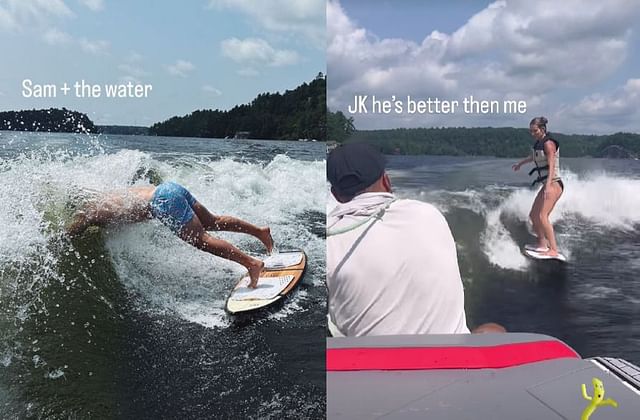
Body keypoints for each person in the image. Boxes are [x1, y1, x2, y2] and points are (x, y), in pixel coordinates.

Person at [326, 142, 503, 337]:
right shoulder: (429, 214)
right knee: (494, 330)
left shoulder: (329, 241)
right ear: (386, 181)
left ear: (336, 195)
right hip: (453, 359)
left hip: (374, 363)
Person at [68, 181, 274, 288]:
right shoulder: (108, 196)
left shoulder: (90, 212)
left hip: (162, 202)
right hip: (169, 188)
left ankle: (251, 263)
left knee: (201, 240)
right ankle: (260, 232)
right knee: (213, 221)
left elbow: (74, 231)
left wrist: (63, 237)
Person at [512, 116, 564, 257]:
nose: (532, 134)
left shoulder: (548, 144)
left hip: (554, 184)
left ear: (542, 129)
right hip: (548, 184)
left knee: (542, 216)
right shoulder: (539, 144)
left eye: (534, 131)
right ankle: (542, 243)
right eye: (531, 131)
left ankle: (553, 249)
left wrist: (547, 185)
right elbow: (533, 157)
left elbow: (552, 164)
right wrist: (520, 164)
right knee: (533, 215)